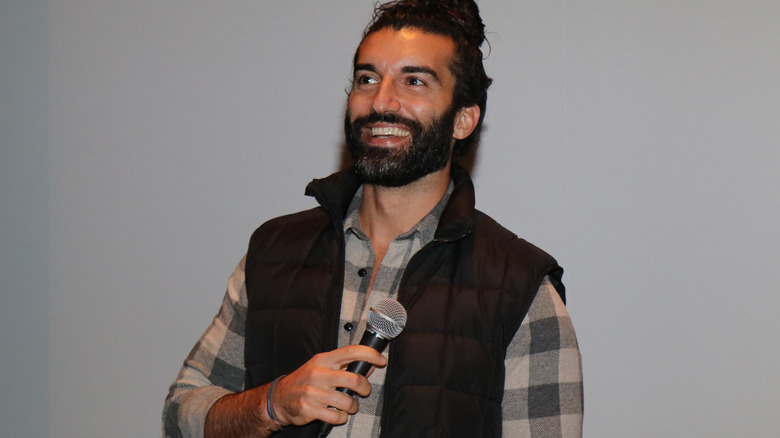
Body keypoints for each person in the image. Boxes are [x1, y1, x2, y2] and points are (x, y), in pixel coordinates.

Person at [163, 1, 583, 437]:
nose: (381, 101)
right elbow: (180, 414)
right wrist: (272, 403)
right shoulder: (274, 251)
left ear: (463, 119)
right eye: (367, 79)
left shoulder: (519, 284)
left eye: (414, 81)